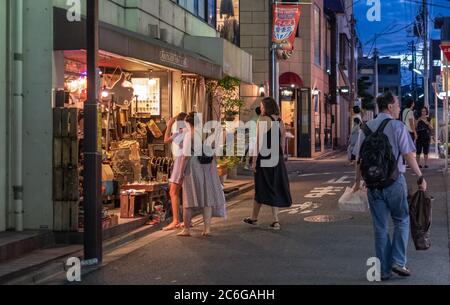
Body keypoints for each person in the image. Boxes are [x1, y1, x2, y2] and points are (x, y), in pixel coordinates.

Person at [353, 91, 427, 280]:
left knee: (380, 228)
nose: (399, 107)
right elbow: (409, 154)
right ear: (390, 106)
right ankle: (398, 262)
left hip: (373, 185)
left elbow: (359, 160)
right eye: (397, 104)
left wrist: (357, 183)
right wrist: (420, 176)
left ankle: (383, 271)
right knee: (402, 220)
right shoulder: (397, 126)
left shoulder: (366, 127)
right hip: (394, 183)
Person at [243, 97, 292, 230]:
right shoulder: (280, 121)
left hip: (264, 159)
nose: (261, 108)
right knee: (272, 186)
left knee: (262, 187)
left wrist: (253, 161)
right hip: (276, 158)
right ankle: (262, 219)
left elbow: (258, 142)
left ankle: (267, 219)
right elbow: (282, 141)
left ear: (266, 107)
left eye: (262, 106)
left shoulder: (263, 119)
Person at [177, 112, 226, 237]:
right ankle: (207, 229)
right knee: (206, 198)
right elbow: (214, 151)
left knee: (188, 198)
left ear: (189, 123)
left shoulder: (190, 135)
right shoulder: (207, 134)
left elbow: (186, 156)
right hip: (208, 166)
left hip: (193, 166)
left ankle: (187, 229)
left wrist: (181, 172)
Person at [162, 112, 187, 231]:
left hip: (181, 160)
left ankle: (176, 220)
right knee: (185, 191)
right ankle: (187, 220)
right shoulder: (191, 133)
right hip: (188, 162)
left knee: (173, 191)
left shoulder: (181, 133)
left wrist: (169, 125)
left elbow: (166, 140)